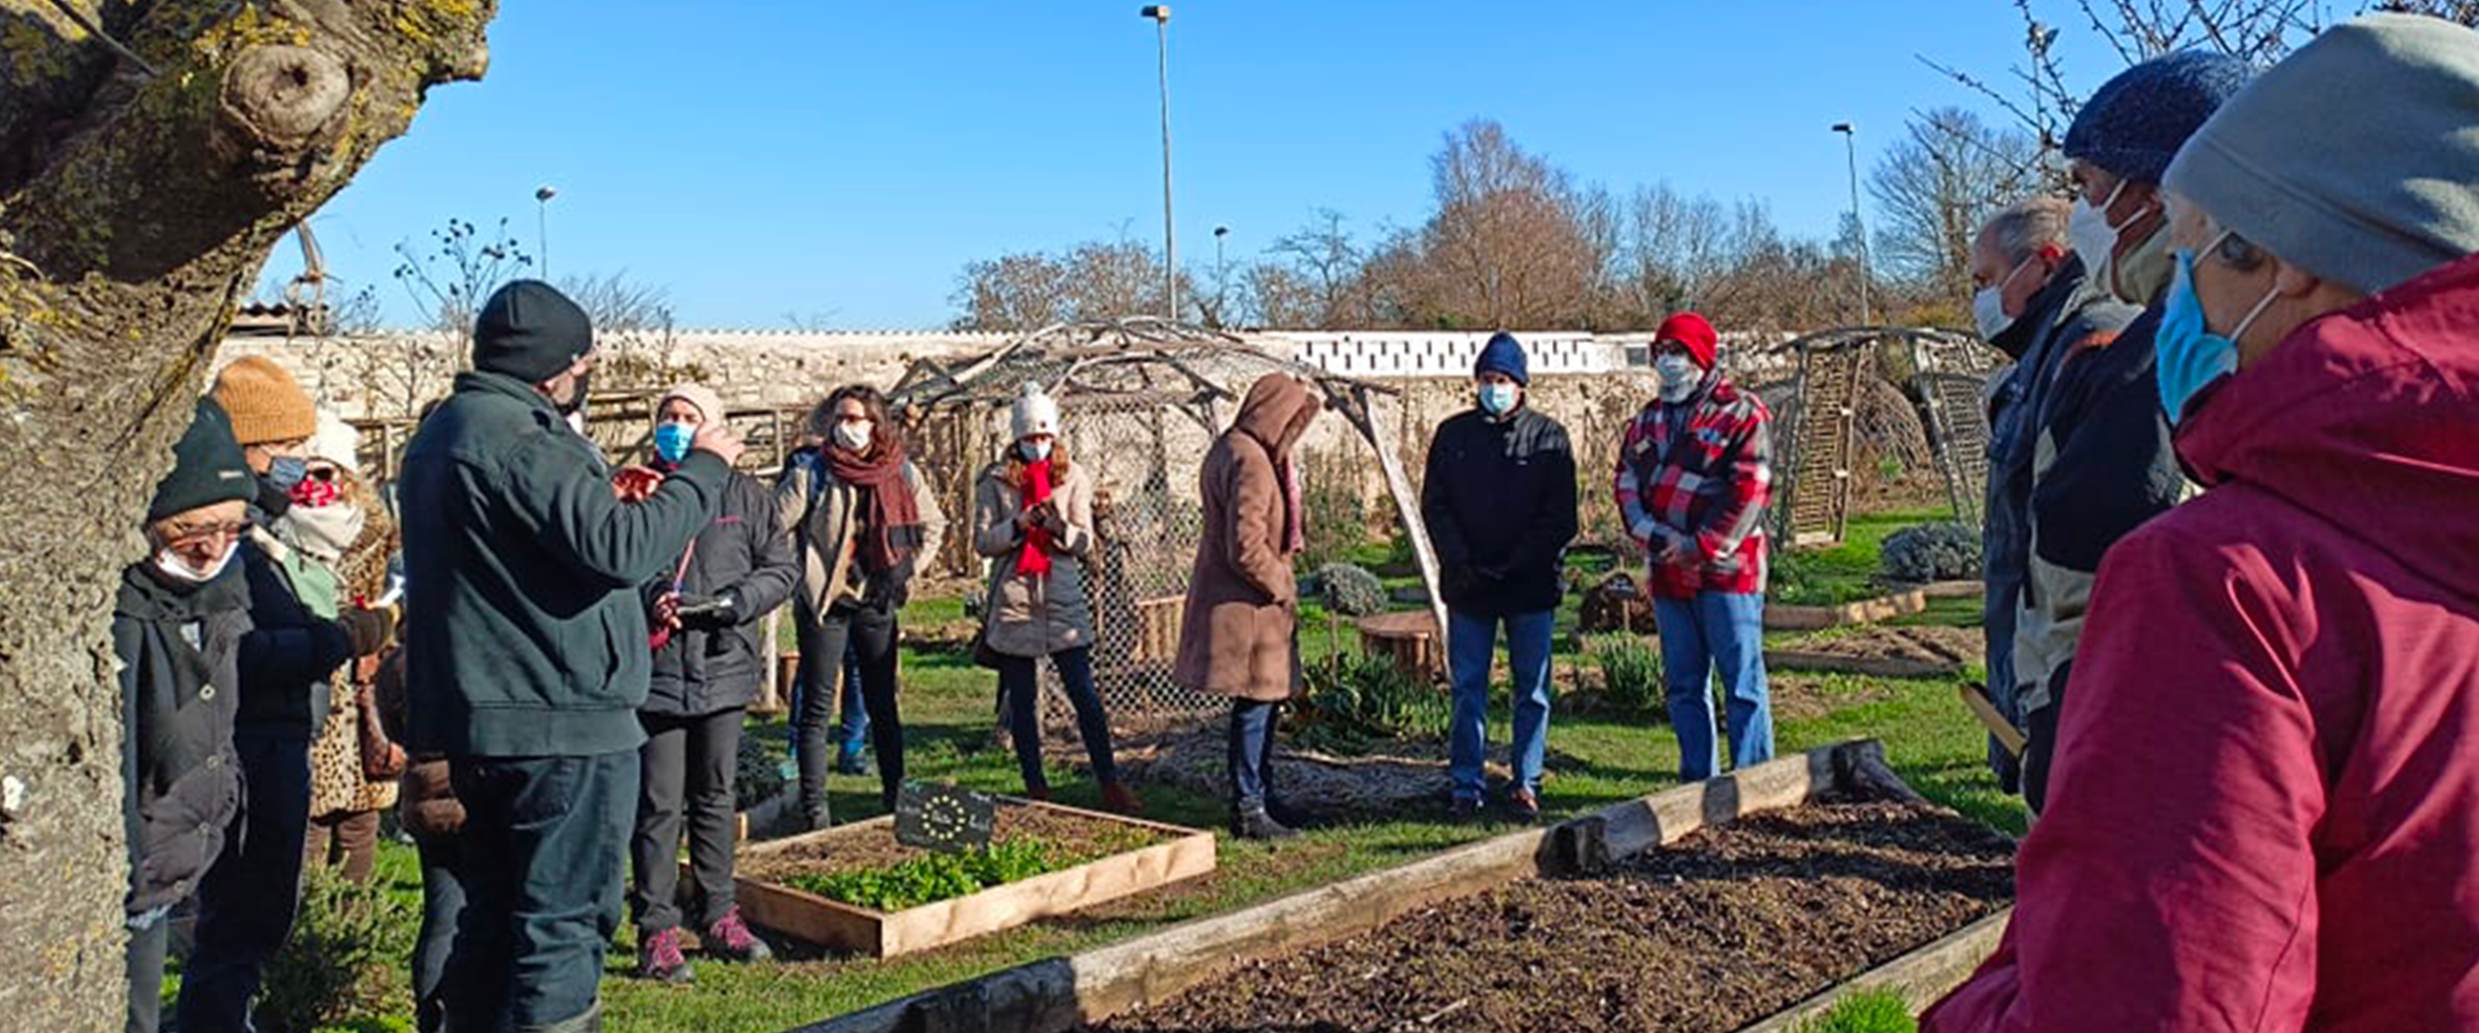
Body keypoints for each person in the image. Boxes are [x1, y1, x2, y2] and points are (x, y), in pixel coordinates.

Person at [1924, 14, 2479, 1030]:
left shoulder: (2234, 584)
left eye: (2190, 255)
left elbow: (2153, 997)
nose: (2174, 300)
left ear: (2285, 259)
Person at [399, 280, 744, 1033]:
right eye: (581, 362)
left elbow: (540, 548)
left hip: (487, 716)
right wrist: (704, 472)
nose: (581, 376)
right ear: (558, 365)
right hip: (558, 724)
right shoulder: (523, 437)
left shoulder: (443, 432)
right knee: (563, 923)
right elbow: (622, 549)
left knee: (494, 918)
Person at [2016, 49, 2251, 811]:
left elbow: (2104, 552)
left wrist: (2072, 723)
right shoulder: (2178, 332)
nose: (2081, 210)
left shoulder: (2169, 351)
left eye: (2085, 186)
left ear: (2154, 194)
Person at [180, 360, 388, 1033]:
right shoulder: (221, 542)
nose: (302, 461)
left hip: (275, 739)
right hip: (250, 748)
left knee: (254, 922)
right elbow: (239, 651)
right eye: (290, 447)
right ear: (249, 448)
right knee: (239, 921)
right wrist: (336, 639)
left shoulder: (259, 534)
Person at [1968, 199, 2140, 793]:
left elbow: (2089, 550)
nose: (1981, 299)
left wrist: (2058, 702)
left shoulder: (2094, 350)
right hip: (2034, 667)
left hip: (2072, 680)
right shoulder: (2037, 360)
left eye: (1987, 280)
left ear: (2043, 265)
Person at [627, 383, 797, 984]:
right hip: (659, 671)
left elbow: (781, 568)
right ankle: (656, 928)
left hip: (724, 663)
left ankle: (720, 913)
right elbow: (624, 559)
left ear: (714, 428)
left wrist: (733, 603)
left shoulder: (745, 494)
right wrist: (656, 598)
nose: (675, 425)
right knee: (657, 803)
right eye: (667, 416)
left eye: (688, 417)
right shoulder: (640, 489)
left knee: (716, 795)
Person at [119, 400, 257, 1033]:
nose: (213, 550)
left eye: (233, 529)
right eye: (193, 531)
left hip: (175, 862)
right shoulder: (123, 614)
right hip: (130, 870)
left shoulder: (223, 599)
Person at [1420, 333, 1577, 823]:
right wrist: (1462, 562)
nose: (1495, 388)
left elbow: (1559, 517)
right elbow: (1437, 506)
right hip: (1469, 584)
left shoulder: (1549, 436)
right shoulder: (1453, 436)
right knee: (1469, 686)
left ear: (1521, 385)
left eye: (1504, 380)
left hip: (1528, 584)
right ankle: (1466, 782)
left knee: (1531, 688)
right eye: (1487, 379)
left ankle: (1526, 780)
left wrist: (1518, 563)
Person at [1614, 313, 1774, 782]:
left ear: (1701, 358)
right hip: (1667, 570)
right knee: (1684, 685)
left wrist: (1702, 545)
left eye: (1678, 352)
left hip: (1729, 571)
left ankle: (1753, 781)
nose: (1669, 361)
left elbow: (1751, 487)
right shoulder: (1646, 421)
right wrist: (1655, 537)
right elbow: (1625, 482)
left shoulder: (1741, 412)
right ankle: (1696, 783)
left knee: (1741, 682)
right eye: (1662, 352)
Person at [778, 385, 945, 825]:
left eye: (855, 419)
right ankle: (815, 811)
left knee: (882, 703)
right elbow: (774, 525)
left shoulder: (900, 472)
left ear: (875, 423)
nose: (846, 428)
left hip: (878, 598)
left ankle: (895, 800)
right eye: (839, 419)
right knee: (817, 705)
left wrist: (906, 571)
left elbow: (933, 525)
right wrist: (799, 575)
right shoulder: (812, 472)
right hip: (826, 602)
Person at [972, 383, 1141, 813]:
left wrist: (1056, 528)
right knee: (1024, 702)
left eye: (1044, 437)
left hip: (1062, 596)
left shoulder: (1074, 476)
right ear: (1017, 438)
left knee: (1084, 694)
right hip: (1015, 598)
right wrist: (1018, 524)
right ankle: (1036, 787)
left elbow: (1085, 541)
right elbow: (983, 541)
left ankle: (1110, 781)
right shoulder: (993, 480)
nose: (1038, 445)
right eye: (1030, 438)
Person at [1174, 373, 1318, 840]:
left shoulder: (1228, 448)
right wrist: (1281, 585)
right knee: (1255, 707)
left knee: (1261, 705)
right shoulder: (1252, 460)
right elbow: (1247, 546)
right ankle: (1250, 807)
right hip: (1250, 609)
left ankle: (1260, 795)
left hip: (1239, 604)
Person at [294, 415, 405, 885]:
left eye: (325, 473)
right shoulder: (277, 532)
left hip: (364, 684)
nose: (313, 485)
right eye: (305, 472)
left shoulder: (374, 530)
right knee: (309, 818)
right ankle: (301, 929)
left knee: (361, 816)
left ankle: (352, 931)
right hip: (308, 680)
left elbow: (397, 595)